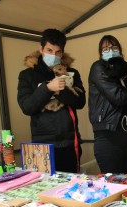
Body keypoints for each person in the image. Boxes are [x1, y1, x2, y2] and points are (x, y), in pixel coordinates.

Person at [17, 28, 85, 173]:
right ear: (41, 49)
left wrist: (61, 90)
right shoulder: (27, 75)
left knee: (69, 189)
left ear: (62, 52)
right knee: (42, 189)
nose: (53, 55)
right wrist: (47, 88)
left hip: (69, 141)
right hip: (41, 144)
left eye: (57, 52)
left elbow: (80, 102)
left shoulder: (72, 73)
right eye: (49, 50)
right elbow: (27, 107)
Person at [88, 35, 127, 174]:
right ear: (100, 53)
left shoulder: (125, 69)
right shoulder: (98, 68)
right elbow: (118, 97)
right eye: (105, 48)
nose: (110, 51)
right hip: (108, 134)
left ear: (120, 50)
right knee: (113, 184)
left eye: (114, 47)